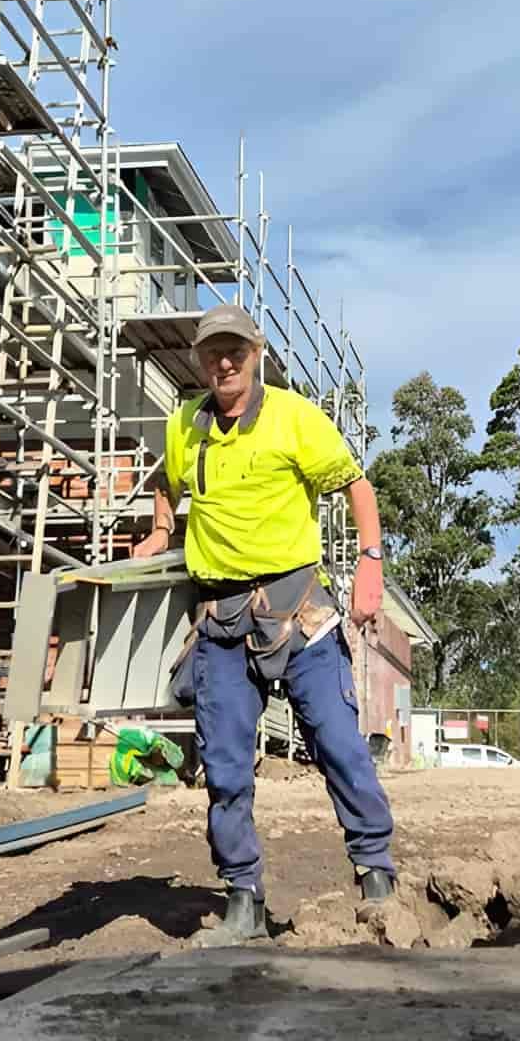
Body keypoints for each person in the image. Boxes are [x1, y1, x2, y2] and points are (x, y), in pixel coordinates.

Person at [133, 304, 397, 940]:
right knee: (224, 766)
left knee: (338, 744)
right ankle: (243, 899)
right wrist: (161, 529)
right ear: (199, 360)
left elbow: (356, 485)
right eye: (212, 353)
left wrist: (370, 564)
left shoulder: (294, 418)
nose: (223, 362)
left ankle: (377, 877)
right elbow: (166, 480)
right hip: (220, 620)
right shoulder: (184, 426)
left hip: (297, 612)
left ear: (255, 353)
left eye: (235, 351)